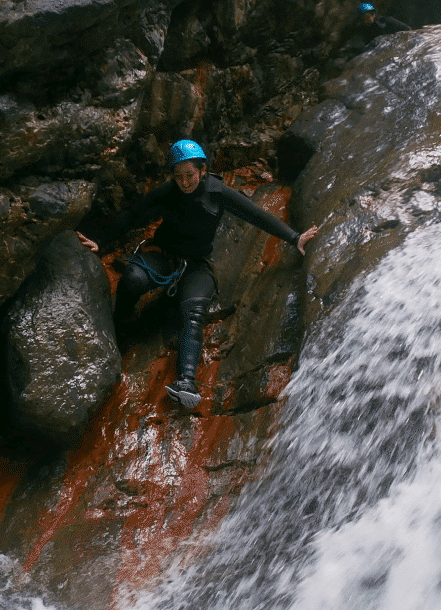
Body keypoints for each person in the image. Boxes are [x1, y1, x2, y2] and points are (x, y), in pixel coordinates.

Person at [77, 140, 319, 409]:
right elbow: (133, 215)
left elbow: (256, 216)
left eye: (190, 175)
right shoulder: (166, 193)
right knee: (133, 278)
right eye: (178, 176)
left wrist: (294, 237)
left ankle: (186, 383)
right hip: (164, 256)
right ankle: (118, 326)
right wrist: (100, 240)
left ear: (202, 171)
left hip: (197, 264)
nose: (184, 182)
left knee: (193, 313)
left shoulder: (217, 192)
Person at [346, 1, 411, 52]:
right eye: (363, 19)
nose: (366, 21)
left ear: (373, 15)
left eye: (367, 17)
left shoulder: (386, 21)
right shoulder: (363, 29)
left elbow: (407, 29)